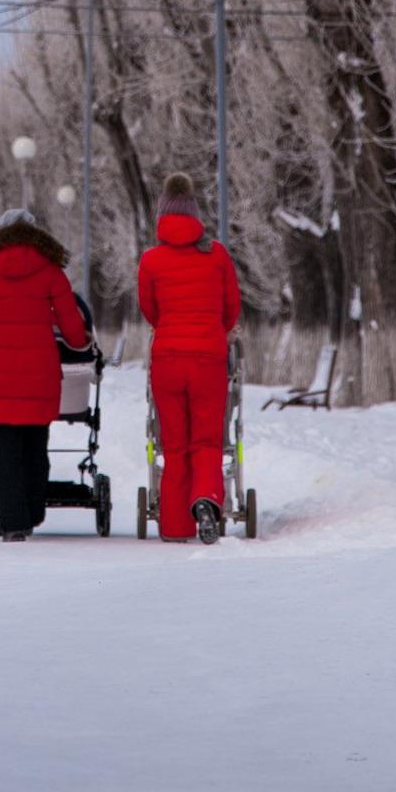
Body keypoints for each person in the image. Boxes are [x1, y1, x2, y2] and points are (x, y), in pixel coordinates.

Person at [0, 209, 89, 542]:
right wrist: (80, 342)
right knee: (35, 445)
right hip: (39, 373)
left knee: (3, 450)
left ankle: (12, 521)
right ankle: (33, 510)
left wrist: (0, 335)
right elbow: (73, 327)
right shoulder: (50, 271)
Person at [137, 173, 240, 544]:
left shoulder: (151, 260)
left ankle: (174, 526)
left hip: (167, 359)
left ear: (162, 217)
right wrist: (213, 330)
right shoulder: (217, 255)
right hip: (208, 359)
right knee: (208, 440)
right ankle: (206, 502)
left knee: (174, 444)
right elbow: (232, 309)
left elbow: (150, 311)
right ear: (196, 216)